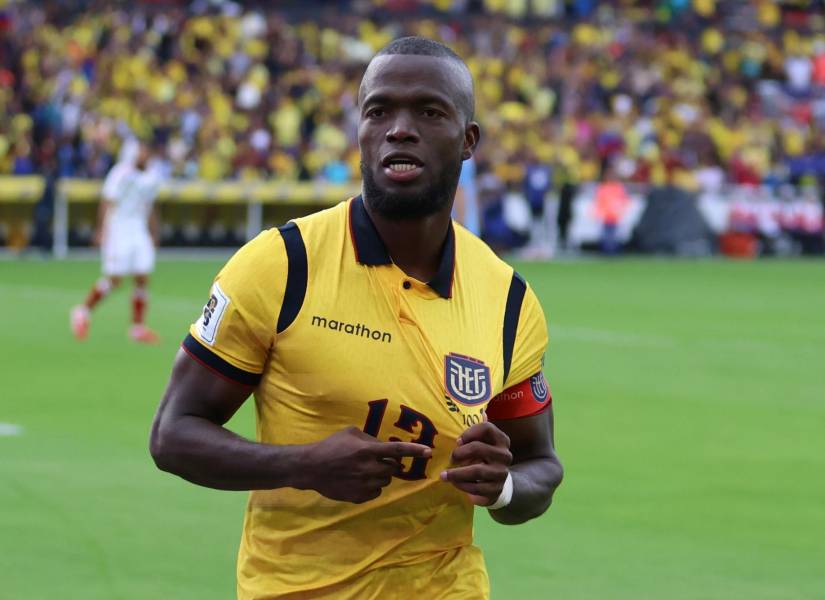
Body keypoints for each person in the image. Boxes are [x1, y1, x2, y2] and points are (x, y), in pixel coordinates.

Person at [150, 37, 563, 599]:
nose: (400, 129)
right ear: (360, 132)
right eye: (379, 111)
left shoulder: (508, 299)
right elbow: (173, 434)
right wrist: (304, 466)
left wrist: (503, 487)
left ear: (468, 140)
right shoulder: (282, 264)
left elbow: (541, 464)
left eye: (429, 112)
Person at [70, 139, 162, 343]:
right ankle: (82, 311)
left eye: (147, 151)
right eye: (142, 151)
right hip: (119, 228)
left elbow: (150, 206)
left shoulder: (152, 176)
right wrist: (101, 230)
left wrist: (154, 232)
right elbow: (107, 201)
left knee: (142, 276)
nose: (144, 155)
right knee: (115, 278)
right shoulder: (120, 173)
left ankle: (137, 327)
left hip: (138, 229)